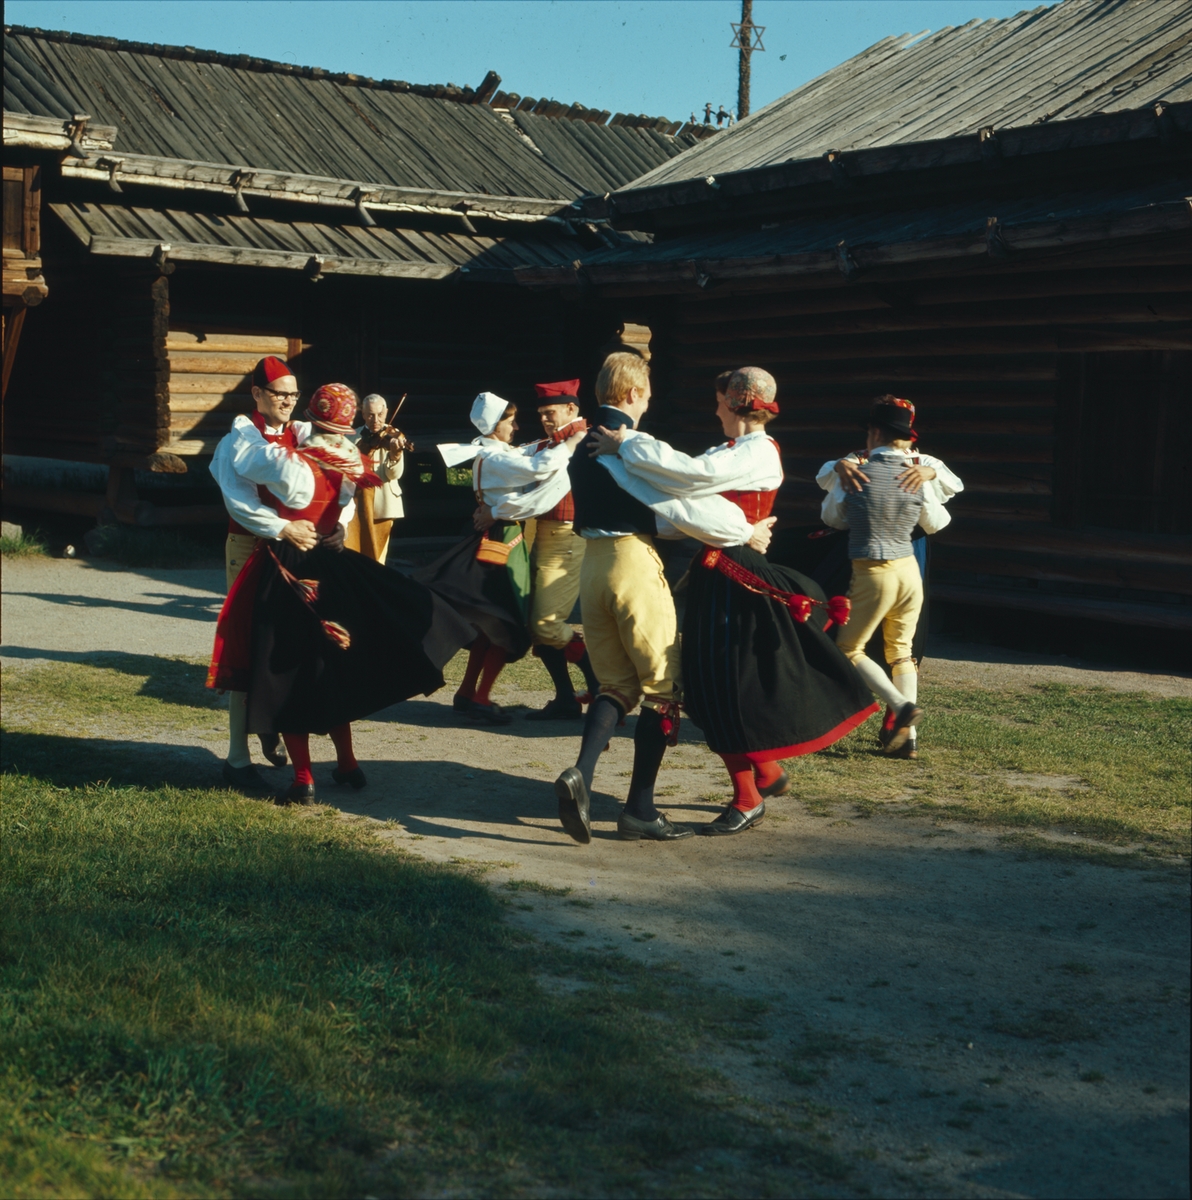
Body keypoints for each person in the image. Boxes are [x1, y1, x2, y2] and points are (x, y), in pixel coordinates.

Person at [591, 366, 879, 834]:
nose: (715, 407)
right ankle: (761, 777)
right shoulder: (727, 450)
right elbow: (680, 495)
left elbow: (689, 474)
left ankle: (750, 793)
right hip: (716, 573)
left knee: (734, 682)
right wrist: (624, 467)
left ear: (734, 403)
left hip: (741, 574)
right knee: (710, 683)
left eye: (720, 399)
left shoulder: (758, 452)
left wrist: (627, 445)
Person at [208, 383, 474, 805]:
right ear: (347, 426)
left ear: (311, 419)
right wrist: (336, 525)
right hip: (333, 562)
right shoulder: (352, 458)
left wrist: (248, 427)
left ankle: (303, 779)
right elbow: (345, 503)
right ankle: (348, 764)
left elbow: (242, 464)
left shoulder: (289, 462)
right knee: (333, 664)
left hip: (289, 563)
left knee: (288, 670)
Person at [554, 352, 720, 844]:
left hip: (592, 566)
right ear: (631, 394)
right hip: (632, 561)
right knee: (663, 686)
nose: (648, 402)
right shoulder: (636, 442)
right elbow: (677, 500)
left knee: (615, 682)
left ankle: (581, 772)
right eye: (646, 393)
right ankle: (640, 808)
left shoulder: (582, 442)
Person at [419, 393, 585, 725]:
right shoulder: (495, 458)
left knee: (489, 620)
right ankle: (481, 698)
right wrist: (571, 443)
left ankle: (468, 692)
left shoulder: (493, 452)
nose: (517, 426)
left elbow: (527, 452)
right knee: (506, 619)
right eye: (510, 421)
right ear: (495, 426)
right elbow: (539, 465)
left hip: (502, 535)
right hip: (507, 537)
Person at [818, 396, 963, 759]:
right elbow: (938, 521)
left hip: (874, 563)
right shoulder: (853, 464)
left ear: (875, 432)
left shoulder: (907, 466)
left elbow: (832, 519)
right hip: (908, 564)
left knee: (851, 646)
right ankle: (906, 736)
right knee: (901, 648)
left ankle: (899, 710)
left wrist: (927, 476)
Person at [209, 354, 315, 795]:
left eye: (294, 395)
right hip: (251, 547)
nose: (289, 402)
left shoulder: (299, 432)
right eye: (280, 394)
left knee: (285, 645)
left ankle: (270, 725)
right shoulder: (239, 439)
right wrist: (283, 526)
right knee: (246, 646)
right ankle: (237, 758)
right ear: (257, 393)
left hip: (292, 552)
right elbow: (240, 503)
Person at [475, 379, 599, 720]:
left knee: (545, 623)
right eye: (542, 413)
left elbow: (542, 495)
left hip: (568, 537)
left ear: (572, 409)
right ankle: (565, 698)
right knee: (534, 622)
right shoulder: (548, 443)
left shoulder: (583, 442)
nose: (545, 419)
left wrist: (496, 510)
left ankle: (601, 685)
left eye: (551, 412)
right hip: (541, 533)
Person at [345, 393, 407, 565]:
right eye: (371, 415)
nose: (376, 420)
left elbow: (393, 475)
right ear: (363, 414)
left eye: (380, 414)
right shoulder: (351, 437)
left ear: (386, 412)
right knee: (355, 552)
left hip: (383, 502)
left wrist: (395, 455)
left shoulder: (394, 435)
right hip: (357, 504)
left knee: (378, 557)